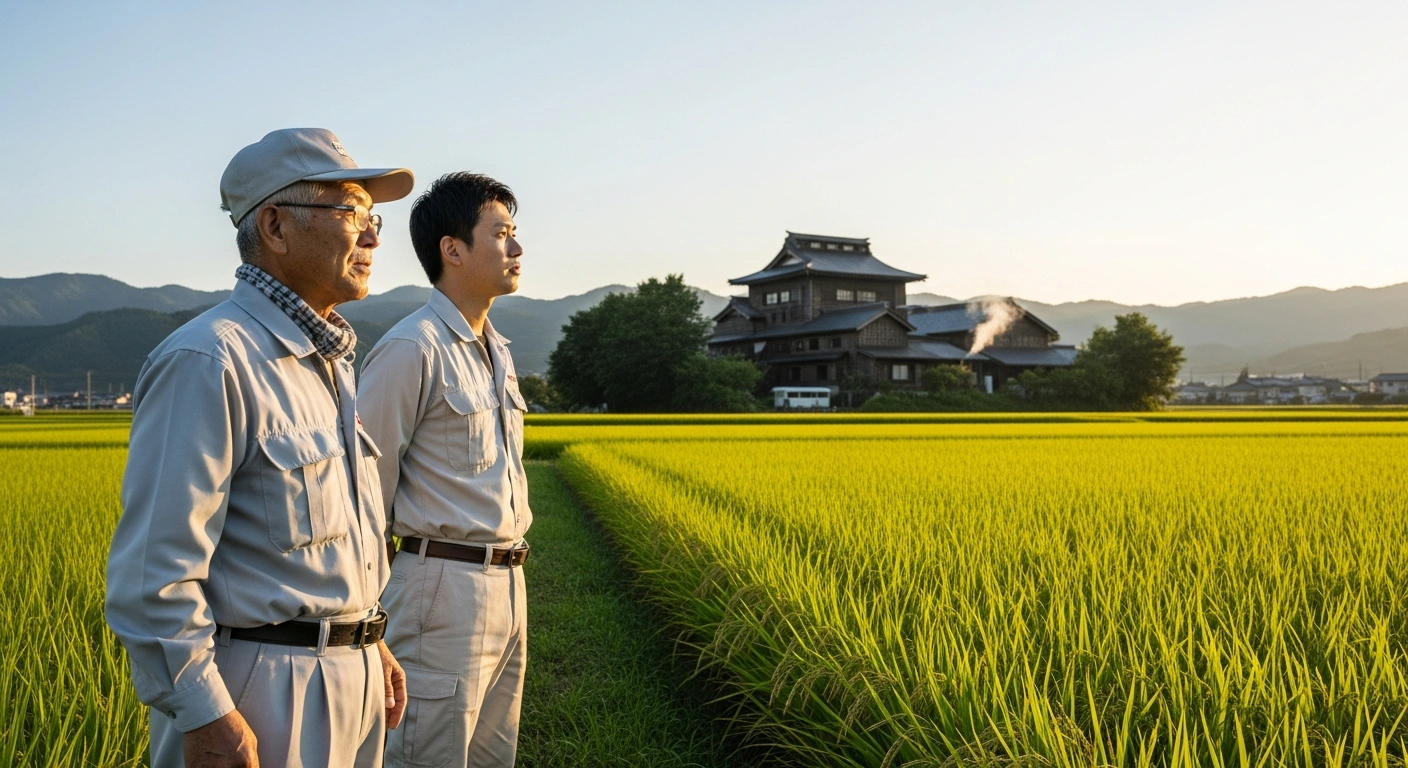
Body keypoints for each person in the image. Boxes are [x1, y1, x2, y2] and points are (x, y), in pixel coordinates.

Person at [105, 127, 413, 768]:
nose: (374, 235)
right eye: (352, 212)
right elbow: (152, 575)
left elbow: (331, 548)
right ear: (275, 225)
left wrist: (368, 640)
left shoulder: (331, 364)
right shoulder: (210, 359)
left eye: (373, 216)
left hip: (350, 683)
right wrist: (203, 710)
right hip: (261, 693)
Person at [359, 172, 531, 768]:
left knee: (491, 755)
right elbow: (364, 499)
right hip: (441, 588)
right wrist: (371, 620)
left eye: (516, 234)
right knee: (426, 754)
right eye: (501, 234)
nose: (517, 248)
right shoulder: (413, 348)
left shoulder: (498, 350)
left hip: (509, 583)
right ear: (452, 250)